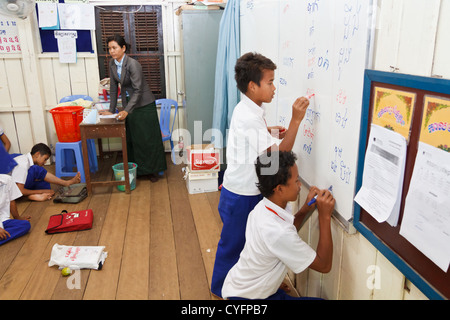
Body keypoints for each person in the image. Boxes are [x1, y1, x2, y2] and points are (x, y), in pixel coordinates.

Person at [211, 52, 310, 297]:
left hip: (245, 190)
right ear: (252, 86)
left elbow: (258, 142)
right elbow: (276, 159)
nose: (274, 88)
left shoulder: (250, 109)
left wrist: (270, 132)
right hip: (241, 194)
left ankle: (251, 287)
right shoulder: (247, 116)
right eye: (270, 82)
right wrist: (296, 121)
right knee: (234, 245)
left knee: (248, 246)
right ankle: (220, 290)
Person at [222, 150, 335, 300]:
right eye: (296, 181)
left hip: (239, 287)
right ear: (279, 189)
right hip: (245, 299)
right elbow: (324, 265)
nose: (300, 185)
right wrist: (324, 216)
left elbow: (286, 231)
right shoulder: (276, 231)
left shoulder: (263, 208)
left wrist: (305, 209)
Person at [99, 34, 167, 182]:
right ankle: (139, 170)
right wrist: (111, 110)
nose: (111, 51)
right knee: (133, 139)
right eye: (109, 48)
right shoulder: (112, 64)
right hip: (128, 105)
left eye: (114, 48)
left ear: (123, 48)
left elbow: (138, 90)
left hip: (143, 105)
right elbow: (112, 88)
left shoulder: (132, 64)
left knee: (147, 139)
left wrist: (126, 111)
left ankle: (153, 171)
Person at [10, 143, 81, 201]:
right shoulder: (23, 164)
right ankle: (31, 195)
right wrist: (42, 191)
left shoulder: (27, 160)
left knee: (44, 183)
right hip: (8, 190)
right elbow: (20, 191)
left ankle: (32, 195)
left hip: (15, 185)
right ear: (37, 154)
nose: (45, 162)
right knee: (37, 170)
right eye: (45, 159)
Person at [0, 174, 31, 246]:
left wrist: (18, 217)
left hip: (3, 220)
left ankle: (2, 235)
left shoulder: (7, 179)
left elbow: (11, 201)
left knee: (25, 225)